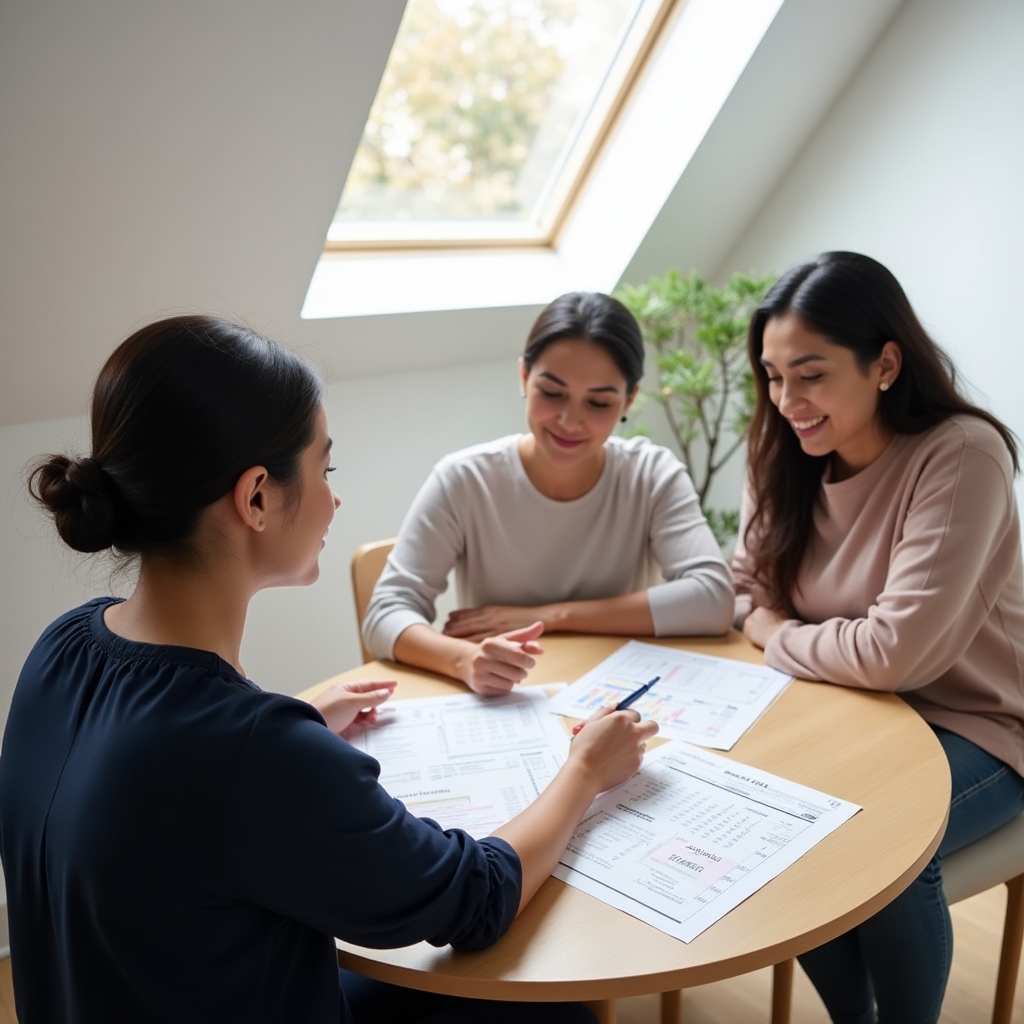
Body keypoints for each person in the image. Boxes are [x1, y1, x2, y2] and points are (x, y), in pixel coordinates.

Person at [0, 315, 659, 1024]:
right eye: (325, 468)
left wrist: (304, 726)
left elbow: (169, 798)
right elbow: (474, 897)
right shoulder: (254, 751)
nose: (335, 498)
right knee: (552, 998)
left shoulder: (62, 646)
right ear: (255, 497)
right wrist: (584, 769)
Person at [732, 252, 1024, 1024]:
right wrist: (775, 627)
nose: (787, 400)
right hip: (856, 713)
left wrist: (775, 633)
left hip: (985, 725)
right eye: (771, 375)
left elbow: (898, 652)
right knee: (772, 817)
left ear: (885, 363)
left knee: (884, 843)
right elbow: (744, 591)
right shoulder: (786, 452)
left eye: (811, 374)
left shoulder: (961, 455)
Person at [363, 291, 734, 694]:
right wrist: (463, 659)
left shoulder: (651, 474)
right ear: (524, 378)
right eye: (552, 393)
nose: (570, 421)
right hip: (506, 696)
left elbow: (712, 599)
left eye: (598, 403)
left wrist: (550, 616)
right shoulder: (465, 479)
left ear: (629, 399)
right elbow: (385, 614)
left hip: (617, 695)